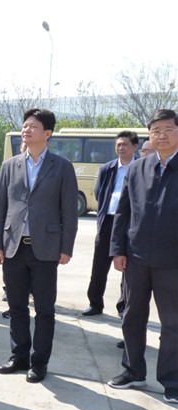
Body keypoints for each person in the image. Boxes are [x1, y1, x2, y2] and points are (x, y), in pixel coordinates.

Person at [0, 108, 78, 383]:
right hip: (13, 246)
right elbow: (0, 208)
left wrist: (66, 247)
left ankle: (39, 362)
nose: (26, 130)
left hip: (46, 249)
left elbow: (69, 212)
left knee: (44, 310)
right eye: (25, 125)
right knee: (16, 307)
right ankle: (19, 356)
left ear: (48, 133)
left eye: (33, 126)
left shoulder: (62, 167)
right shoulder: (10, 165)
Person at [108, 109, 178, 404]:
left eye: (168, 129)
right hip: (135, 258)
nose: (161, 136)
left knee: (173, 324)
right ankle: (133, 371)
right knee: (132, 317)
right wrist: (117, 249)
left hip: (172, 262)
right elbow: (122, 212)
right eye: (155, 130)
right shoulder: (137, 168)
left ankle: (172, 381)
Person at [82, 131, 137, 316]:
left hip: (130, 223)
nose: (121, 148)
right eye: (118, 144)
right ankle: (95, 303)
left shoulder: (140, 168)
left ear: (135, 147)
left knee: (128, 268)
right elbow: (99, 192)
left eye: (125, 144)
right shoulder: (107, 168)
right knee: (99, 266)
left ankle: (124, 307)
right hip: (108, 220)